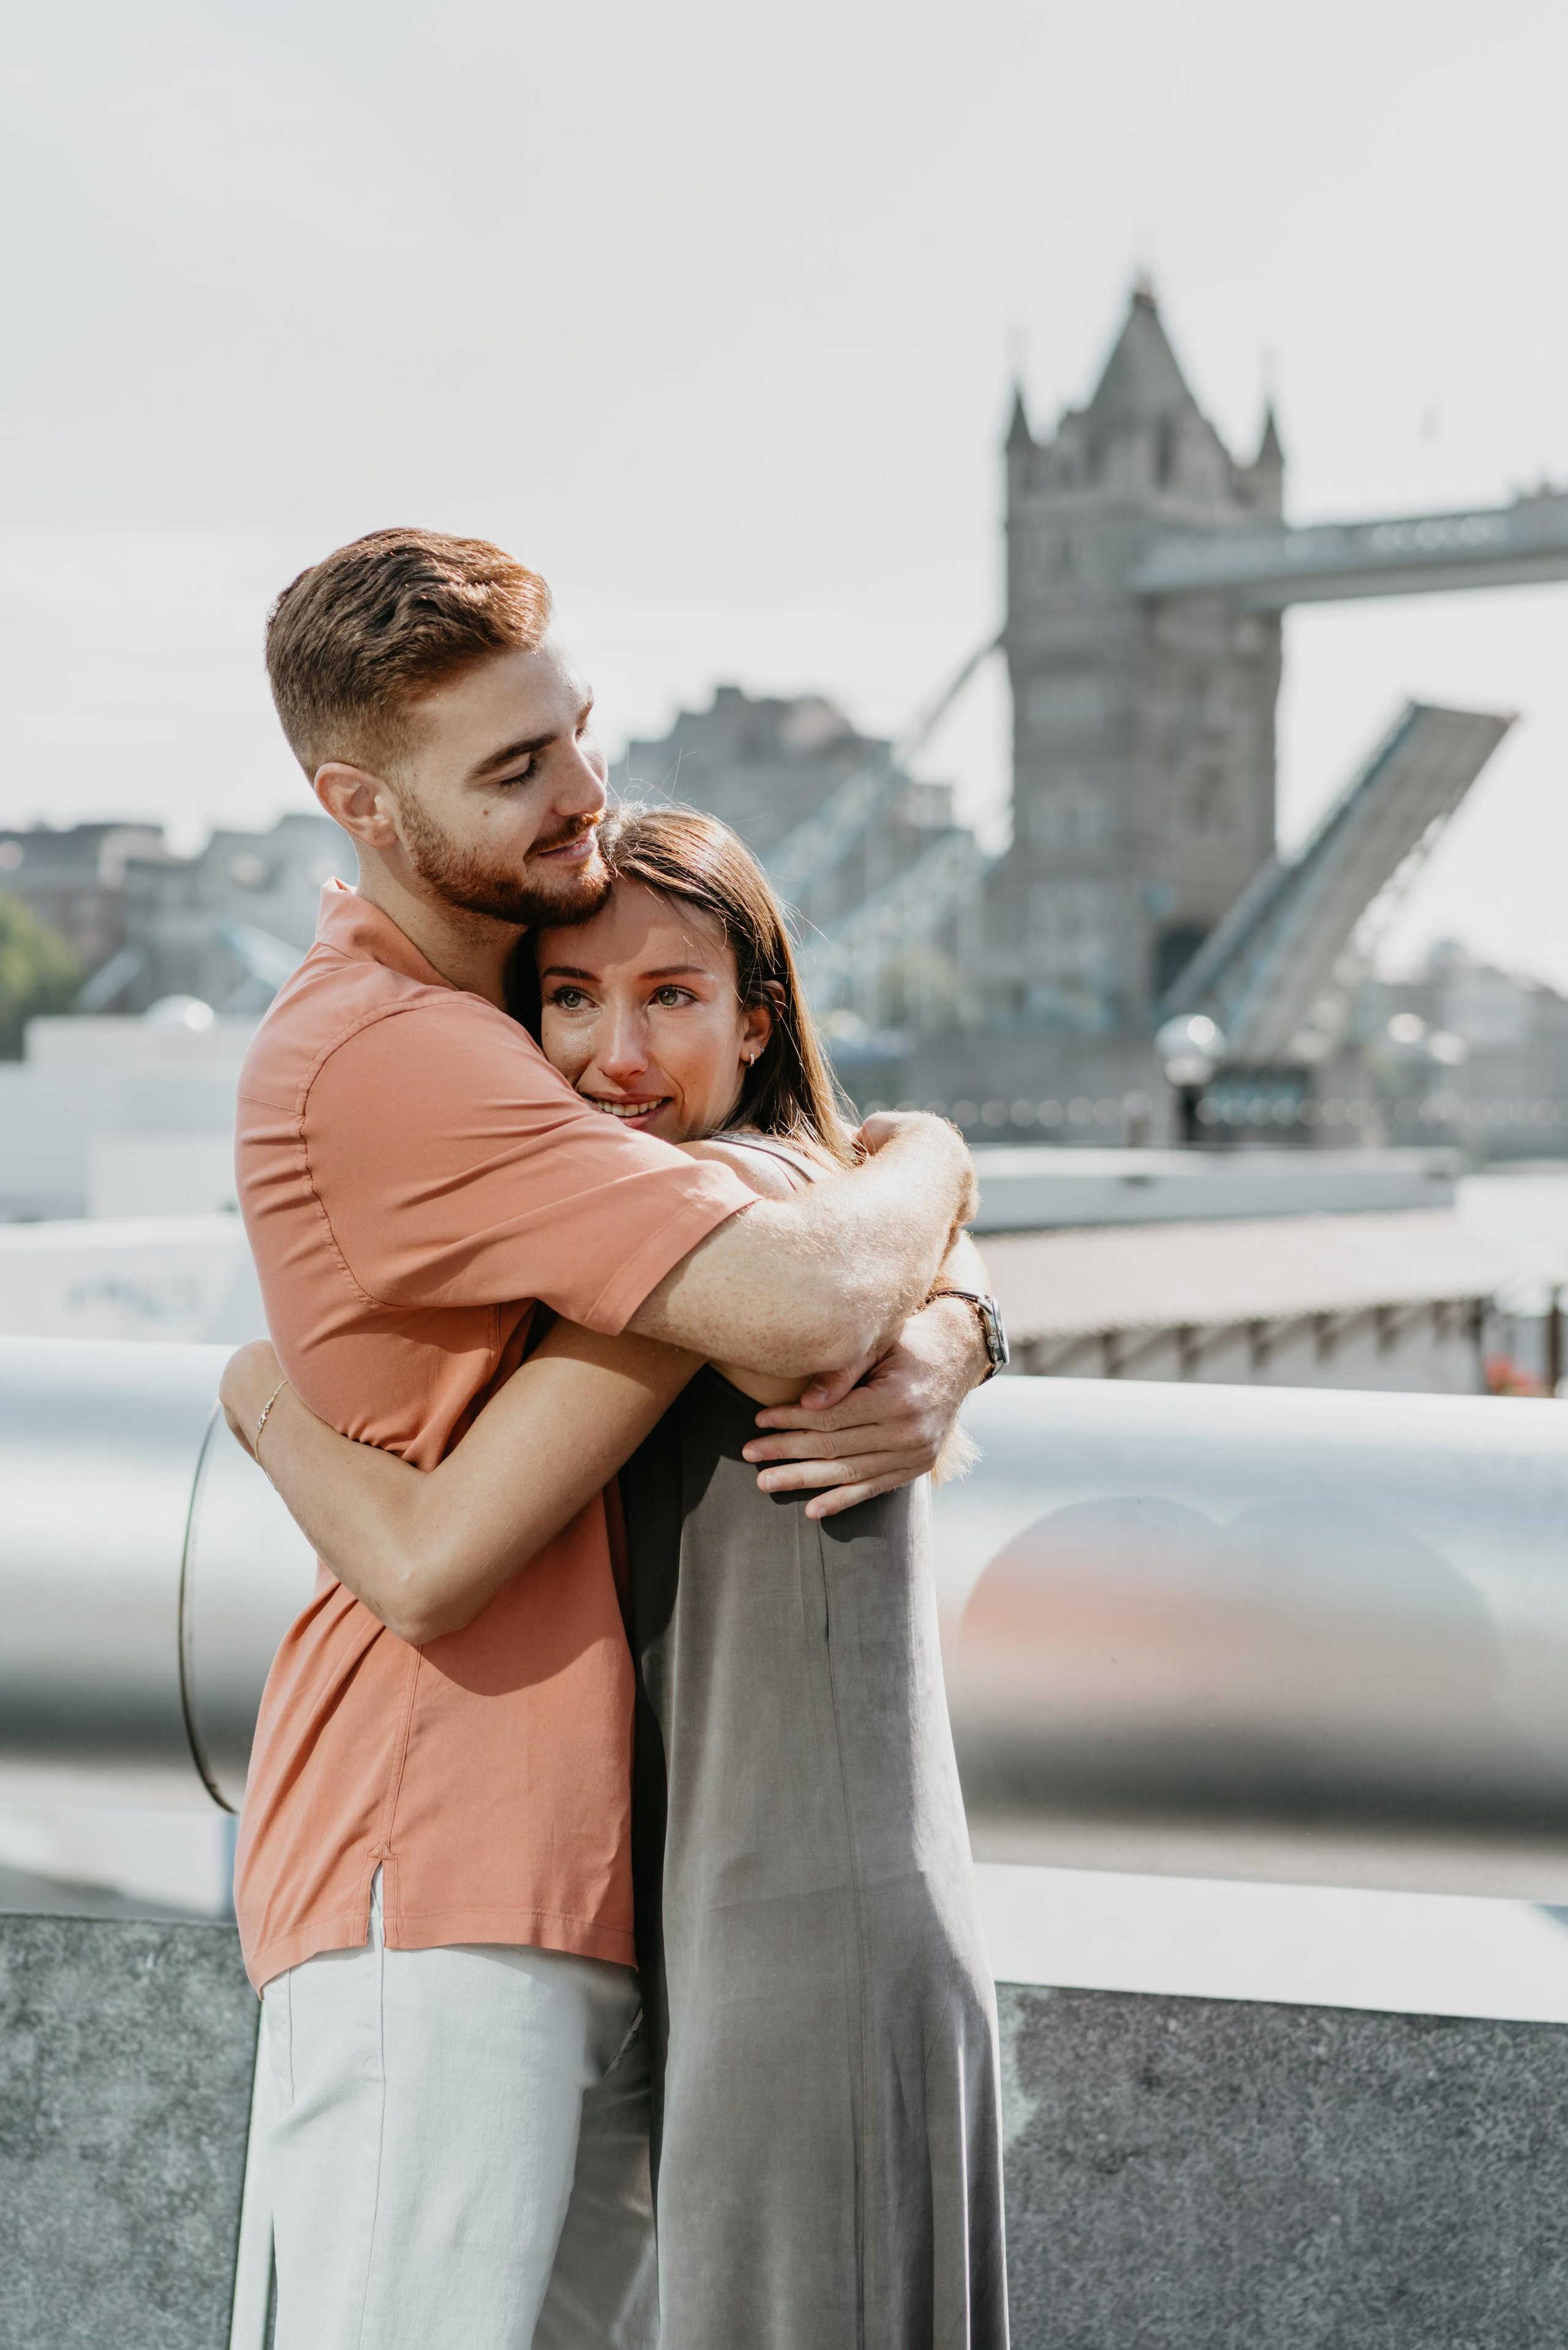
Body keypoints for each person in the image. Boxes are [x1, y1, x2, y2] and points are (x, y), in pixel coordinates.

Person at [230, 527, 992, 2350]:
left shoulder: (489, 1024)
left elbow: (796, 1239)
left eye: (577, 731)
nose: (584, 792)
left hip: (575, 1871)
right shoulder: (410, 1056)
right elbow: (794, 1294)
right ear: (359, 802)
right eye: (515, 770)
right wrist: (939, 1161)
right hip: (434, 1861)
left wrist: (959, 1317)